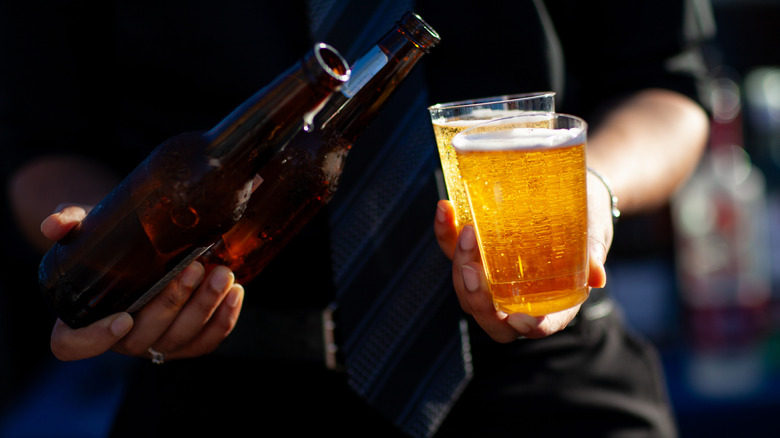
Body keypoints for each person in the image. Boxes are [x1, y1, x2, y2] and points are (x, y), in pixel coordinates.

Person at [1, 0, 712, 436]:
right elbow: (44, 146)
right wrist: (119, 250)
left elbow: (668, 89)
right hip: (226, 387)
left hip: (547, 374)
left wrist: (588, 190)